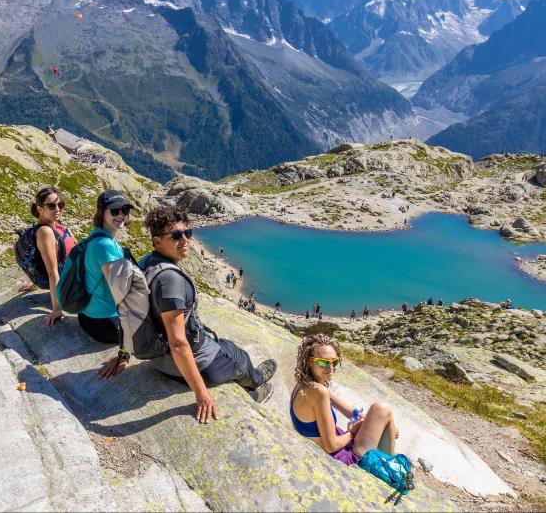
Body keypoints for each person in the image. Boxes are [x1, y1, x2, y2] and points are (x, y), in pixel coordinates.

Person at [134, 205, 276, 421]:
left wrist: (123, 354)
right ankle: (256, 385)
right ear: (157, 241)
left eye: (187, 233)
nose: (185, 240)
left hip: (157, 359)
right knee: (238, 356)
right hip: (193, 364)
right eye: (176, 235)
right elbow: (178, 343)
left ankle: (252, 381)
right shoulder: (170, 280)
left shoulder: (145, 263)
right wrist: (201, 394)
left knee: (225, 345)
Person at [290, 334, 400, 468]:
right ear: (309, 361)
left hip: (340, 444)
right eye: (323, 362)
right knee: (383, 409)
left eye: (334, 362)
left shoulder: (306, 383)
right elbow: (331, 446)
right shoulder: (318, 392)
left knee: (380, 412)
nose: (330, 368)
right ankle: (392, 470)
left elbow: (349, 412)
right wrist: (352, 432)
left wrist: (373, 422)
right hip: (340, 457)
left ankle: (390, 463)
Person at [78, 190, 134, 349]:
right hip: (105, 322)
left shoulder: (96, 234)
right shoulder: (105, 245)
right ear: (102, 213)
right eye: (115, 211)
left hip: (87, 315)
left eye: (125, 210)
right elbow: (119, 289)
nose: (121, 215)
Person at [30, 186, 77, 326]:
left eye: (60, 204)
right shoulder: (45, 232)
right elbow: (52, 271)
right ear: (40, 209)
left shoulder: (55, 224)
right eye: (51, 206)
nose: (58, 209)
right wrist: (57, 309)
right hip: (75, 280)